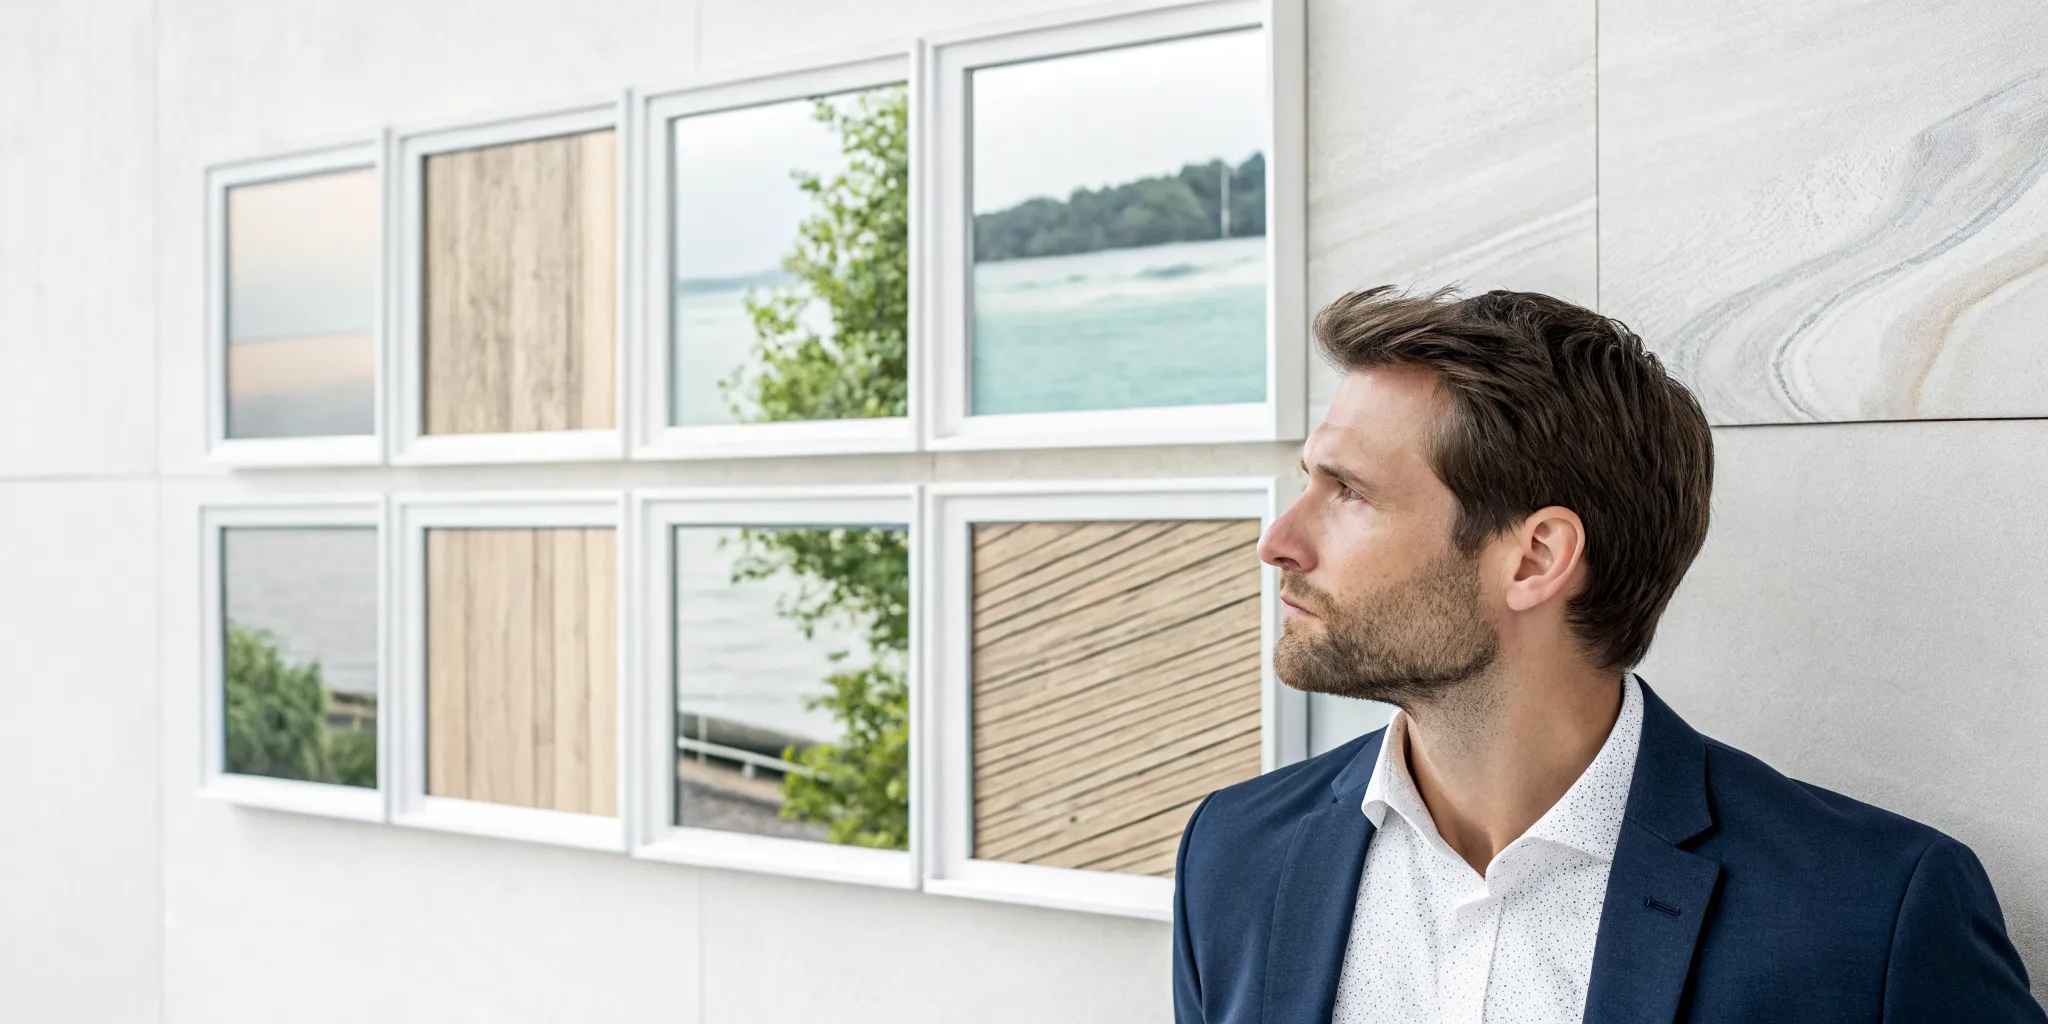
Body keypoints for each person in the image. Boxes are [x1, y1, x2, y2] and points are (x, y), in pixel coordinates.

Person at [1170, 287, 2044, 1023]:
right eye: (1307, 482)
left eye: (1350, 492)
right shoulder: (1234, 854)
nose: (1279, 540)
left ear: (1537, 558)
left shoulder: (1871, 913)